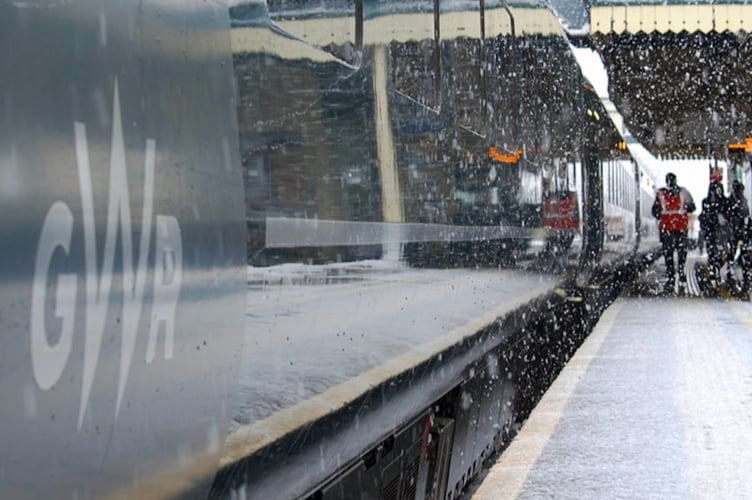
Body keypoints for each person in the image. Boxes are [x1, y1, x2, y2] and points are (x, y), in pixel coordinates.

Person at [652, 172, 696, 295]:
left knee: (668, 254)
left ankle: (671, 277)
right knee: (681, 253)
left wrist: (663, 215)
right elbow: (693, 207)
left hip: (666, 229)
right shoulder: (683, 192)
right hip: (681, 228)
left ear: (667, 181)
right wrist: (683, 209)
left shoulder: (661, 194)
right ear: (676, 180)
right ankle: (681, 273)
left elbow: (654, 211)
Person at [698, 180, 729, 291]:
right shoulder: (709, 202)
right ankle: (714, 270)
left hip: (718, 232)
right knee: (713, 253)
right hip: (712, 231)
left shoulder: (723, 202)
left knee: (718, 254)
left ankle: (715, 269)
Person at [725, 180, 751, 296]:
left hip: (737, 233)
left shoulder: (736, 202)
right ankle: (736, 278)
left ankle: (737, 278)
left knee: (739, 256)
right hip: (736, 233)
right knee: (736, 255)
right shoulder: (737, 202)